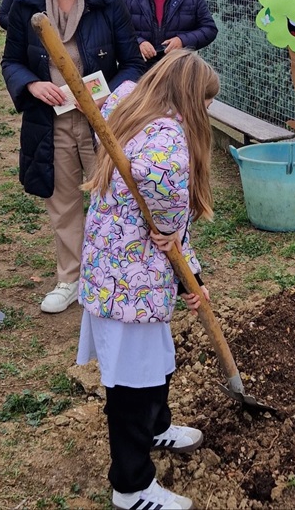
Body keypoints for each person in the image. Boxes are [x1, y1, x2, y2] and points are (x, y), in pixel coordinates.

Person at [76, 49, 218, 510]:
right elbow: (168, 216)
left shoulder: (132, 105)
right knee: (132, 388)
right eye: (206, 104)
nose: (207, 113)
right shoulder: (167, 143)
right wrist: (173, 232)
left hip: (120, 273)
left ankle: (157, 428)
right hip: (128, 286)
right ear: (190, 99)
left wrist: (190, 278)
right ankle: (131, 487)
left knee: (156, 365)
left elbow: (171, 234)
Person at [1, 0, 145, 314]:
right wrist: (32, 85)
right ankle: (70, 278)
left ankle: (114, 274)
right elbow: (11, 61)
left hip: (104, 121)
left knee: (113, 198)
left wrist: (107, 96)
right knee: (63, 202)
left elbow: (133, 64)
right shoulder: (26, 4)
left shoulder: (107, 1)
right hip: (52, 123)